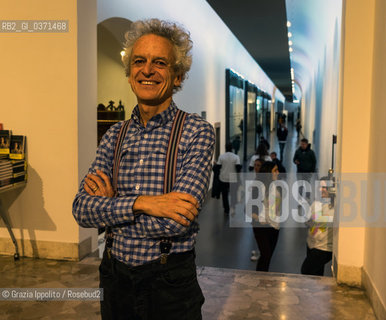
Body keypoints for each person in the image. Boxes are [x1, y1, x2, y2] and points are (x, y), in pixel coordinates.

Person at [72, 19, 215, 320]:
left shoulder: (196, 132)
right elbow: (82, 210)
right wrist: (147, 203)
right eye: (139, 61)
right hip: (114, 279)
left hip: (169, 283)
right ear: (129, 74)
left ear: (177, 76)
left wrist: (111, 209)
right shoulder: (114, 134)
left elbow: (177, 222)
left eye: (159, 62)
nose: (147, 70)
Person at [250, 161, 281, 271]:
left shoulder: (277, 186)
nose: (278, 172)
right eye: (275, 170)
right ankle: (259, 280)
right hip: (261, 227)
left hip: (275, 226)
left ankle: (262, 277)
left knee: (267, 257)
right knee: (266, 255)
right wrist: (260, 219)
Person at [301, 177, 334, 276]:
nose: (320, 189)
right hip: (311, 244)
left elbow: (329, 222)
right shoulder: (316, 203)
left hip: (324, 248)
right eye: (320, 187)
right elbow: (307, 220)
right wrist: (309, 222)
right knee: (317, 273)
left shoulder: (335, 207)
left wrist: (317, 221)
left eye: (324, 187)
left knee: (306, 270)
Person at [215, 143, 241, 214]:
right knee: (233, 193)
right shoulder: (236, 157)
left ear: (225, 148)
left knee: (224, 194)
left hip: (223, 178)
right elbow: (238, 168)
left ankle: (226, 209)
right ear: (232, 148)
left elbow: (218, 167)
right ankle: (233, 207)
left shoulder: (221, 156)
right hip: (233, 178)